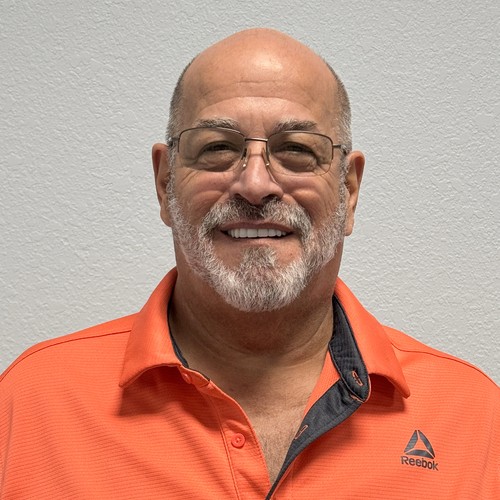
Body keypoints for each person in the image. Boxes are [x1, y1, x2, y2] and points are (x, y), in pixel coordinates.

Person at [0, 28, 498, 499]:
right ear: (165, 183)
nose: (256, 185)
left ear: (348, 191)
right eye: (217, 148)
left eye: (297, 150)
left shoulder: (473, 420)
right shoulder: (31, 405)